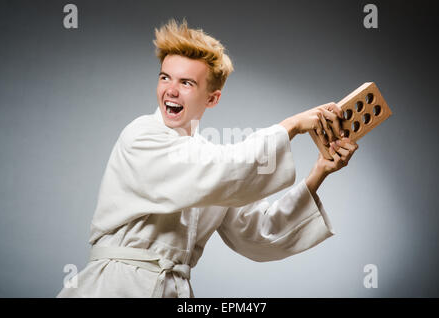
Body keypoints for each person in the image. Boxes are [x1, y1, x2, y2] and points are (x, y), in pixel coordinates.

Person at [57, 18, 358, 298]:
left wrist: (320, 172)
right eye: (165, 78)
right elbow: (223, 169)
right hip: (115, 286)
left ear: (212, 98)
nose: (170, 91)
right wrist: (290, 126)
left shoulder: (214, 162)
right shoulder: (141, 136)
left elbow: (259, 232)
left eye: (186, 83)